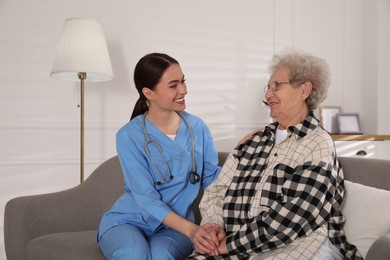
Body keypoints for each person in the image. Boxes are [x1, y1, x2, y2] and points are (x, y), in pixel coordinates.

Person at [188, 49, 362, 259]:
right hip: (230, 248)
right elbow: (217, 190)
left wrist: (229, 245)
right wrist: (213, 228)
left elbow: (294, 215)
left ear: (304, 90)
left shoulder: (318, 144)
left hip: (291, 248)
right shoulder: (253, 141)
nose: (268, 94)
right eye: (268, 87)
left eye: (276, 86)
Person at [97, 53, 222, 259]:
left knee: (162, 256)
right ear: (149, 93)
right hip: (128, 221)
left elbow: (213, 181)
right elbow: (146, 199)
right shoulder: (128, 136)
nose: (183, 90)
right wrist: (193, 230)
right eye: (173, 85)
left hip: (176, 228)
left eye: (183, 81)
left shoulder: (197, 128)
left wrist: (241, 155)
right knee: (133, 254)